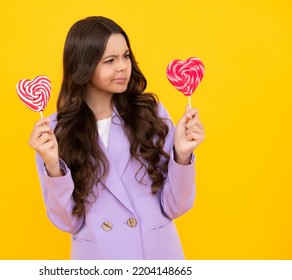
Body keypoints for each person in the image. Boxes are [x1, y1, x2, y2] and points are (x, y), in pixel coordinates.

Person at [29, 16, 205, 260]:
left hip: (156, 256)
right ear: (83, 66)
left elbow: (176, 206)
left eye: (126, 56)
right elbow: (68, 221)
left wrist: (182, 155)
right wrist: (52, 165)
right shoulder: (55, 130)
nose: (123, 66)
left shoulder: (149, 113)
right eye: (110, 60)